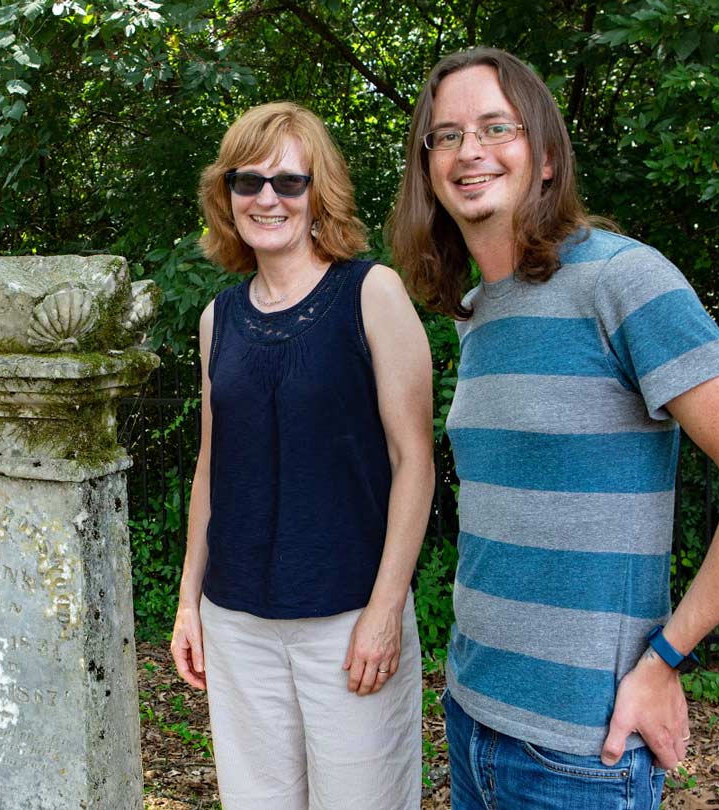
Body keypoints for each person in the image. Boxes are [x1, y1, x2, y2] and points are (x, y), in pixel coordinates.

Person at [385, 47, 719, 809]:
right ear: (427, 168)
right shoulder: (477, 314)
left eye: (496, 126)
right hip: (470, 715)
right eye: (446, 135)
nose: (470, 151)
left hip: (581, 752)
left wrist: (664, 660)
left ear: (547, 156)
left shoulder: (622, 279)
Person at [169, 101, 434, 809]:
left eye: (289, 181)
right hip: (238, 624)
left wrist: (385, 610)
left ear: (321, 192)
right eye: (248, 181)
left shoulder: (371, 293)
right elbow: (209, 467)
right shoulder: (216, 319)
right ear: (225, 197)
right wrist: (189, 600)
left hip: (348, 621)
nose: (268, 198)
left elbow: (416, 462)